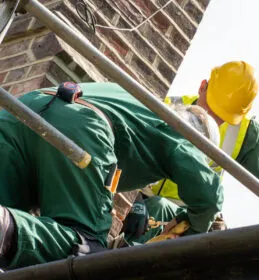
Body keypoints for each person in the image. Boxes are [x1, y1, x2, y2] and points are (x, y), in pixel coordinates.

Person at [0, 82, 223, 269]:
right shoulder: (181, 132)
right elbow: (210, 197)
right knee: (86, 250)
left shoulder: (139, 105)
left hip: (25, 108)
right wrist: (195, 231)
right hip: (83, 130)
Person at [145, 61, 259, 227]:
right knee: (155, 207)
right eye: (210, 106)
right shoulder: (170, 106)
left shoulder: (245, 134)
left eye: (221, 115)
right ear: (202, 86)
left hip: (189, 216)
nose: (210, 117)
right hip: (143, 201)